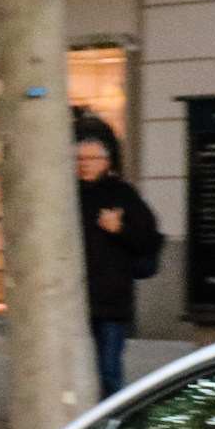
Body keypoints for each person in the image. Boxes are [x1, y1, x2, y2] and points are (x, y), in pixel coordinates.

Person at [76, 135, 163, 399]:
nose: (84, 164)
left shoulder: (122, 195)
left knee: (108, 372)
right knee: (76, 372)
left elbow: (149, 240)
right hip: (75, 301)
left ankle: (112, 425)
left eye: (91, 159)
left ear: (105, 162)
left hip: (112, 300)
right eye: (79, 159)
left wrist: (119, 230)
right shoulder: (67, 197)